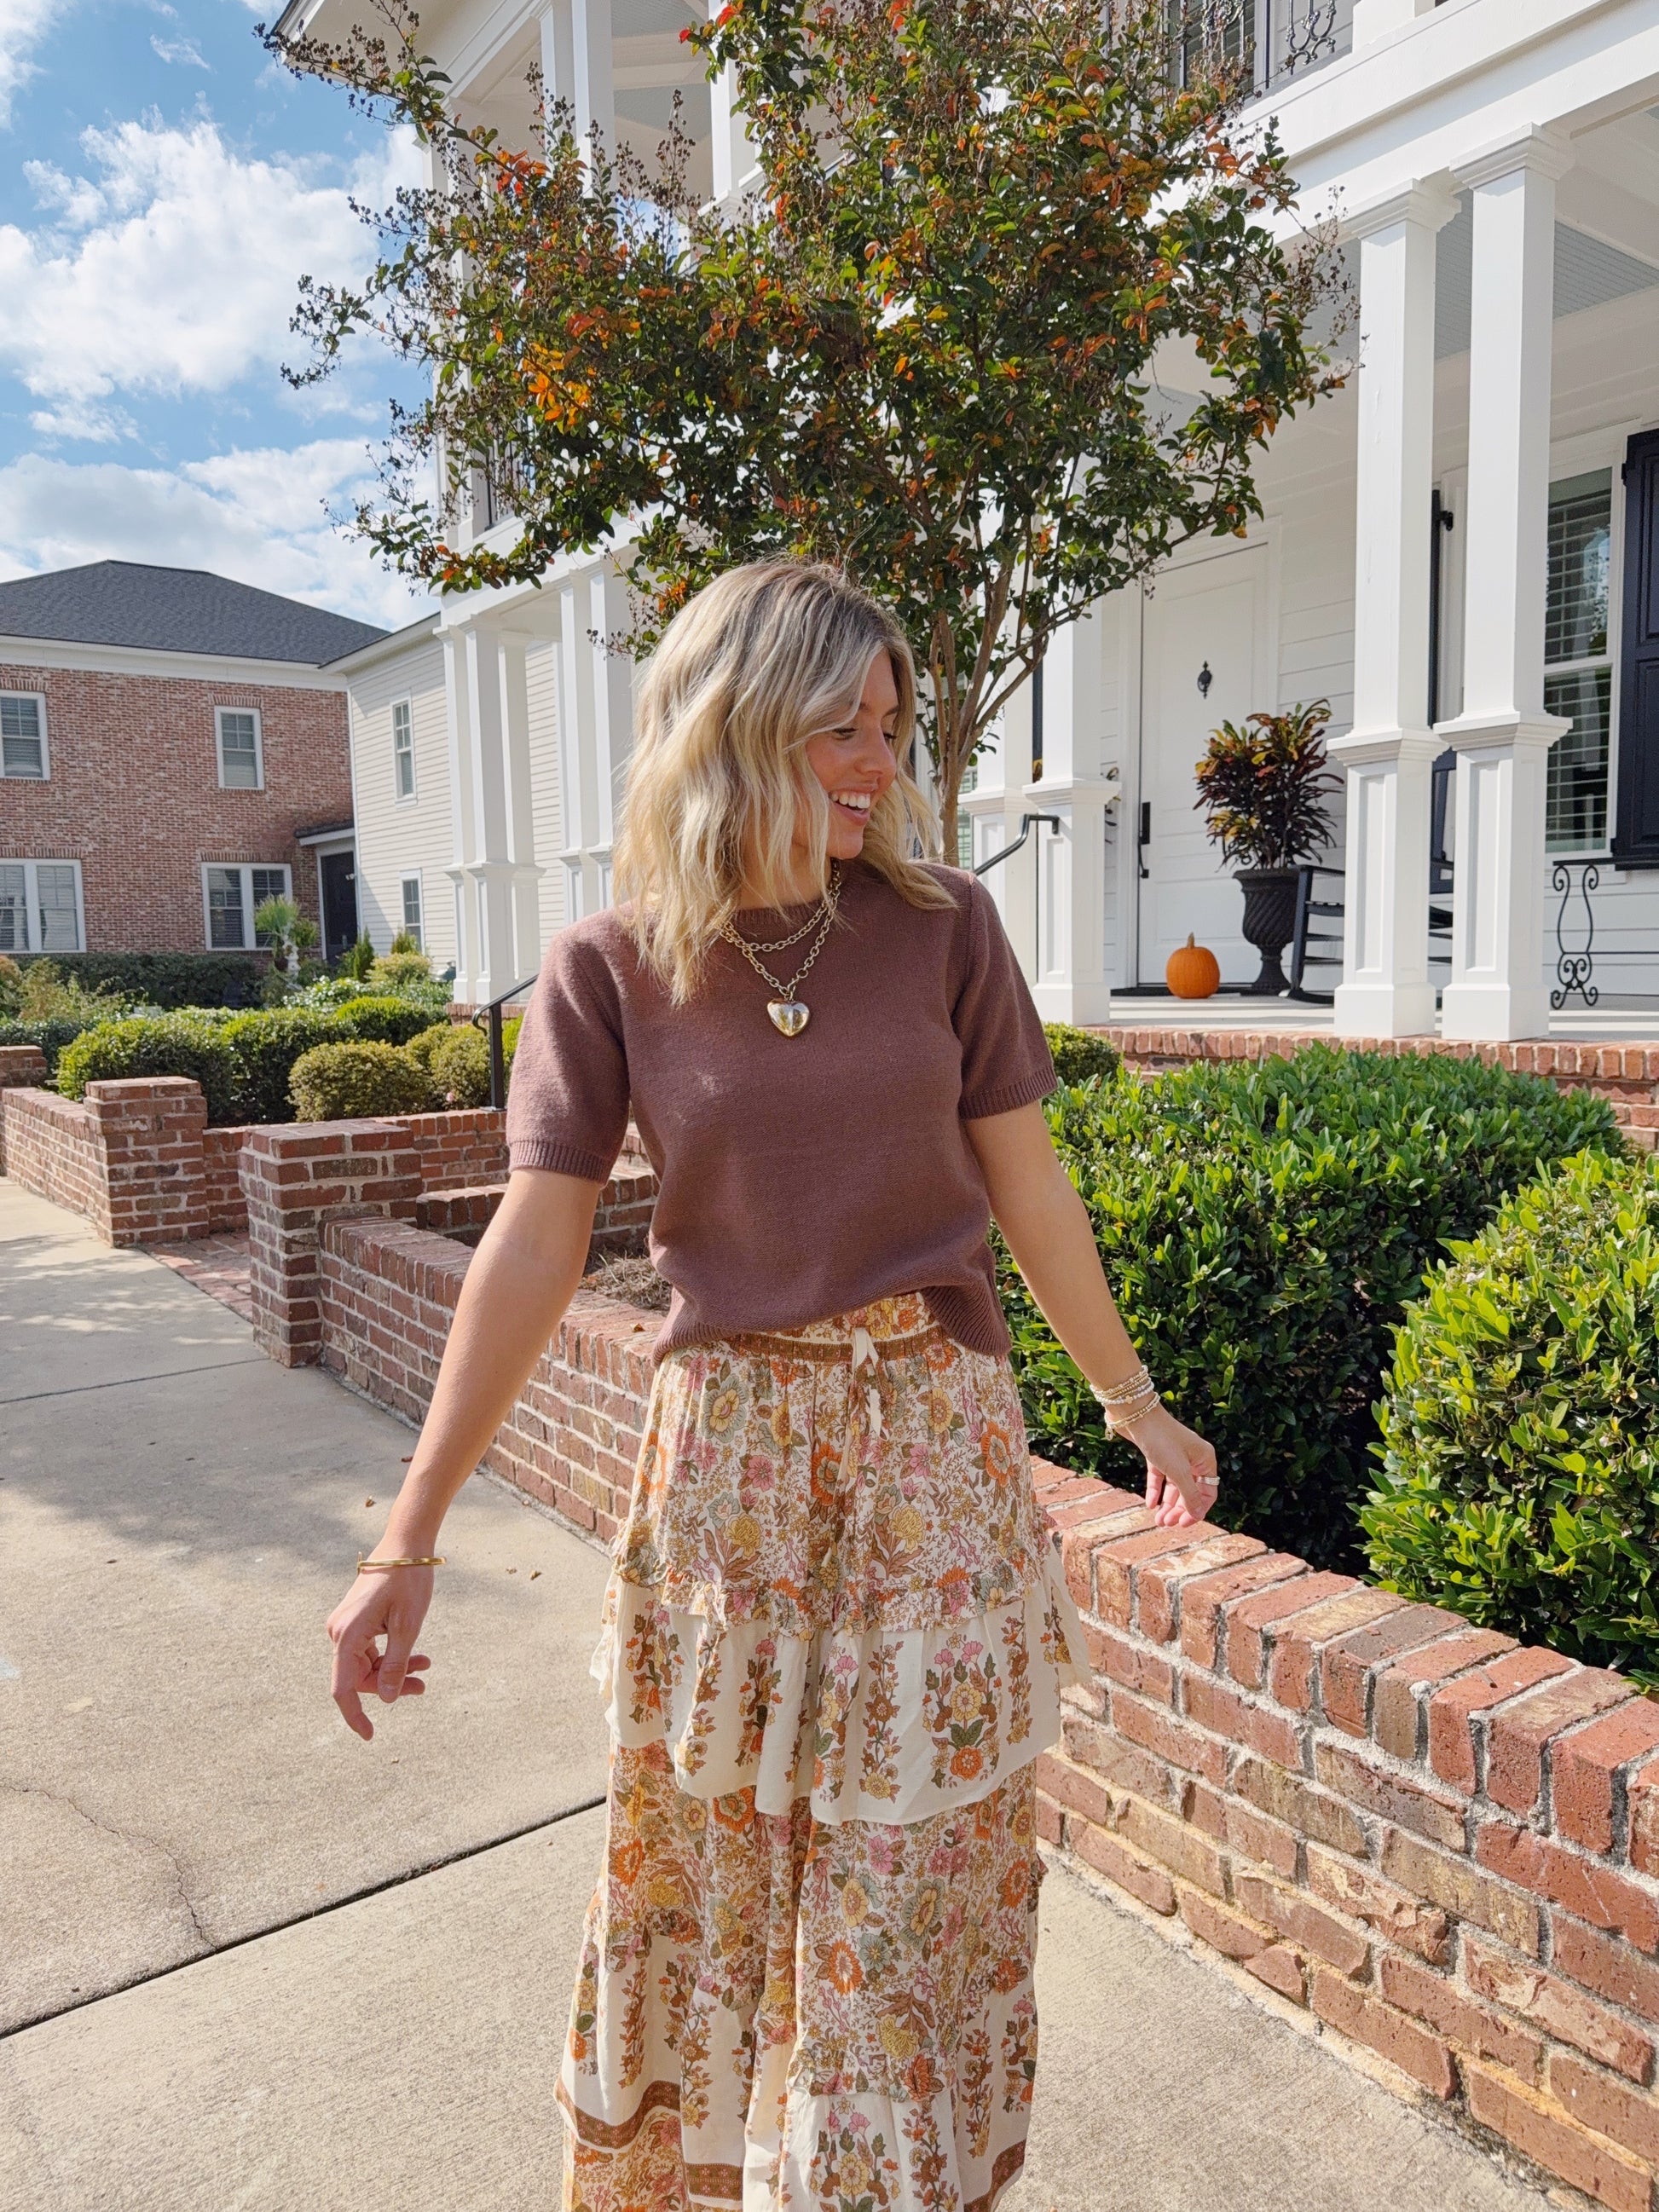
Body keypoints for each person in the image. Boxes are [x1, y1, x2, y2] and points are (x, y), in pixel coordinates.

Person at [326, 559, 1219, 2211]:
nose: (879, 764)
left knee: (914, 1881)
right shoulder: (607, 967)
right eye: (838, 728)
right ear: (731, 728)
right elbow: (533, 1245)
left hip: (932, 1448)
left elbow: (1028, 1186)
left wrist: (1131, 1400)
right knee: (707, 1864)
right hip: (727, 1468)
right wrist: (410, 1528)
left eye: (890, 725)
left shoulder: (947, 928)